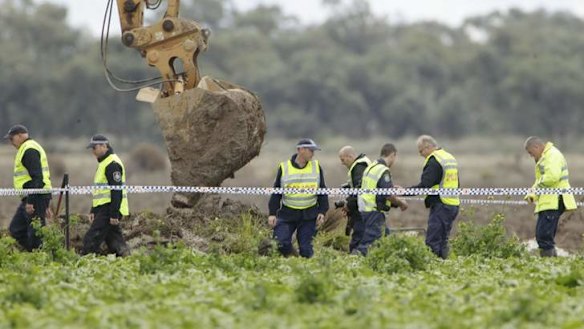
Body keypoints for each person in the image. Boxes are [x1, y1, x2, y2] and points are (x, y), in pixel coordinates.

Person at [268, 138, 329, 258]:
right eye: (310, 150)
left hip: (309, 215)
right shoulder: (284, 167)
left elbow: (322, 190)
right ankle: (294, 259)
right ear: (300, 150)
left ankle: (306, 271)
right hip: (287, 214)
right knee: (280, 243)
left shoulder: (316, 167)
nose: (313, 153)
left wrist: (322, 211)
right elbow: (276, 192)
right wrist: (272, 213)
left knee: (306, 250)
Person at [524, 136, 576, 257]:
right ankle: (551, 265)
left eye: (531, 153)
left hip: (555, 200)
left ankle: (549, 265)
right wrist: (532, 194)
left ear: (536, 147)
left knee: (544, 236)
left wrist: (535, 190)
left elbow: (552, 177)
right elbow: (541, 180)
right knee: (543, 236)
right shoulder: (545, 157)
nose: (531, 156)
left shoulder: (552, 155)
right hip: (549, 201)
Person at [409, 135, 459, 259]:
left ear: (428, 147)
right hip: (453, 204)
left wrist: (403, 191)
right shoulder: (449, 157)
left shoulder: (434, 160)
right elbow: (457, 183)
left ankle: (433, 268)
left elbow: (425, 185)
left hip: (441, 204)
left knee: (433, 241)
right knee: (443, 240)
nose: (420, 154)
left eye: (421, 151)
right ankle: (444, 267)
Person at [354, 143, 408, 256]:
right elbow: (387, 194)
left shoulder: (371, 167)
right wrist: (401, 203)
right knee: (368, 245)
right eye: (395, 157)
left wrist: (392, 189)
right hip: (374, 211)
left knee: (388, 241)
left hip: (366, 209)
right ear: (393, 155)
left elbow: (375, 187)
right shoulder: (383, 170)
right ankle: (353, 263)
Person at [5, 124, 52, 251]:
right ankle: (32, 255)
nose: (11, 142)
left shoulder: (29, 149)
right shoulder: (26, 148)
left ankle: (40, 257)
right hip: (32, 197)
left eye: (11, 139)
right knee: (16, 229)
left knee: (35, 233)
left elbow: (38, 178)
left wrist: (31, 201)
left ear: (20, 136)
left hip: (35, 197)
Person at [81, 134, 130, 257]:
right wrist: (94, 210)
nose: (93, 151)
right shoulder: (104, 163)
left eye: (94, 148)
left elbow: (116, 190)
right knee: (114, 241)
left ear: (104, 146)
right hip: (104, 208)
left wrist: (114, 214)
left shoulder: (112, 164)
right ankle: (126, 259)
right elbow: (100, 191)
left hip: (110, 208)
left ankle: (87, 263)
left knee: (91, 239)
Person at [338, 145, 371, 253]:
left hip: (363, 208)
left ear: (350, 156)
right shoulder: (361, 164)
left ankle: (355, 260)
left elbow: (359, 189)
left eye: (343, 160)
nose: (342, 163)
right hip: (365, 206)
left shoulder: (358, 167)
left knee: (358, 239)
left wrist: (348, 205)